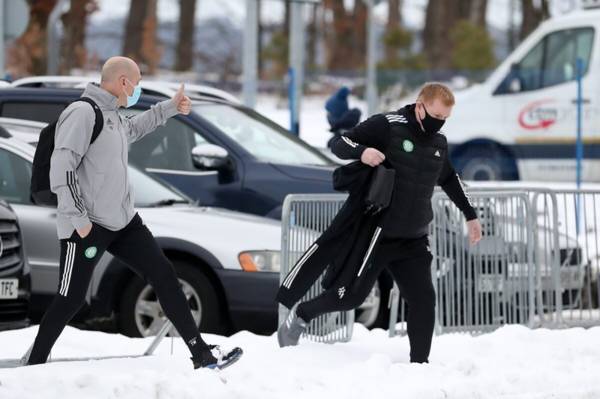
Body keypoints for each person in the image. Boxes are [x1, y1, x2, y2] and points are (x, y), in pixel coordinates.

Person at [26, 56, 242, 370]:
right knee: (70, 298)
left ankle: (201, 354)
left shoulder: (113, 116)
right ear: (123, 81)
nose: (137, 89)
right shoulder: (83, 113)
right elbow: (62, 169)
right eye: (137, 83)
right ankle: (34, 365)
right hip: (86, 226)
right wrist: (81, 221)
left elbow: (137, 128)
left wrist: (169, 107)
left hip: (124, 223)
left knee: (165, 276)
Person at [277, 82, 483, 363]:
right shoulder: (388, 125)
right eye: (436, 116)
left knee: (424, 301)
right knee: (348, 298)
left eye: (445, 119)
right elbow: (340, 142)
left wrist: (470, 214)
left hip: (414, 237)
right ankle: (303, 314)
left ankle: (419, 366)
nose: (439, 124)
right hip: (376, 235)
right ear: (420, 106)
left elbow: (449, 178)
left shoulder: (438, 143)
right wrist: (362, 152)